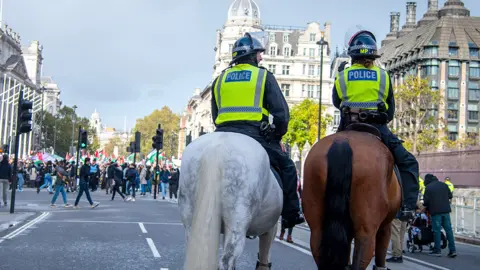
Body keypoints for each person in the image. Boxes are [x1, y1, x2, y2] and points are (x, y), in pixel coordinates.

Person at [210, 32, 304, 228]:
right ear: (253, 56)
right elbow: (281, 114)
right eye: (259, 54)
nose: (261, 57)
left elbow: (214, 114)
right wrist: (276, 134)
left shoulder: (220, 79)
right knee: (287, 167)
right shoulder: (262, 76)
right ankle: (291, 214)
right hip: (254, 135)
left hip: (222, 135)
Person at [332, 29, 419, 221]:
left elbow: (337, 102)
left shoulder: (342, 76)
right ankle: (407, 207)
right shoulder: (383, 76)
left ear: (352, 56)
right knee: (408, 162)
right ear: (374, 56)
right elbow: (389, 114)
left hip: (348, 126)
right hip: (377, 128)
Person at [423, 174, 456, 257]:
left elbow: (426, 202)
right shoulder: (444, 185)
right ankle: (452, 250)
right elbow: (450, 196)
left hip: (435, 212)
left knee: (437, 231)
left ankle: (437, 250)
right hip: (446, 211)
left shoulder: (428, 187)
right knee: (449, 230)